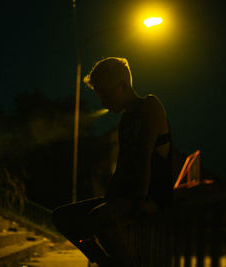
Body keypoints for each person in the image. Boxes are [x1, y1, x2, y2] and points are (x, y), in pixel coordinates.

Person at [52, 57, 173, 266]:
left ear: (123, 86)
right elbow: (123, 165)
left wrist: (139, 201)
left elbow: (145, 157)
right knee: (61, 217)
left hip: (151, 194)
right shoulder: (125, 121)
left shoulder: (150, 106)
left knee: (98, 218)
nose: (104, 103)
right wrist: (110, 198)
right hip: (126, 195)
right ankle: (107, 264)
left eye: (106, 95)